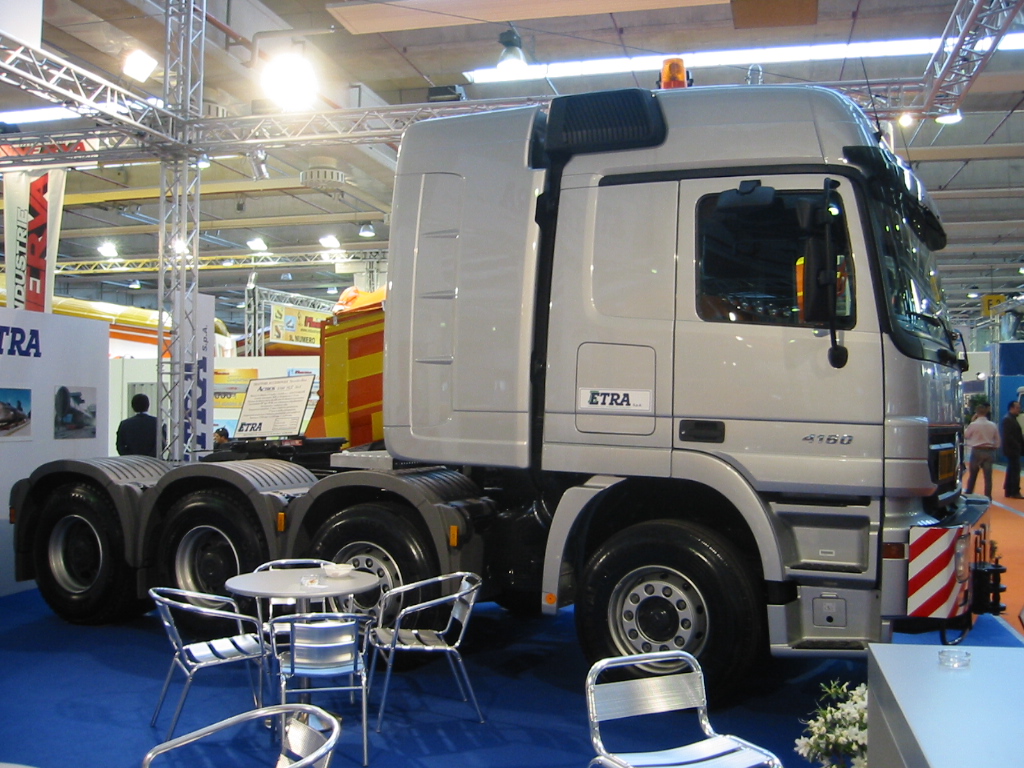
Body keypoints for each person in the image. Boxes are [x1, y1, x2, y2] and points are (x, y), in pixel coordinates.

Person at [964, 404, 999, 498]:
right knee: (988, 477)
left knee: (973, 475)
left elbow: (966, 435)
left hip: (976, 451)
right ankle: (988, 496)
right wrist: (994, 447)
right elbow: (997, 440)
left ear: (976, 413)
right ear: (986, 412)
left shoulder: (973, 424)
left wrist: (972, 421)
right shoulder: (993, 425)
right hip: (989, 451)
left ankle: (969, 493)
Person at [1001, 400, 1024, 499]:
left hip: (1013, 449)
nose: (1019, 409)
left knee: (1012, 469)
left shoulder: (1010, 419)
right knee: (1015, 470)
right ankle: (1014, 491)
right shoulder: (1008, 419)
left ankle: (1009, 489)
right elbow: (1008, 436)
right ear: (1012, 408)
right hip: (1012, 449)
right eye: (1017, 408)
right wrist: (1018, 445)